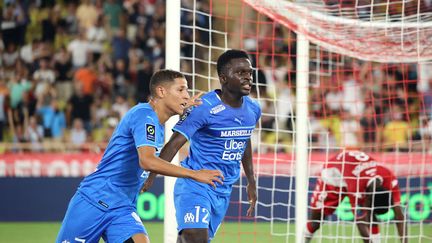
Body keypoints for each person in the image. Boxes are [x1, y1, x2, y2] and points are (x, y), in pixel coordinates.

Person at [56, 70, 224, 243]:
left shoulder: (156, 123)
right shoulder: (144, 115)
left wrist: (150, 178)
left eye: (187, 91)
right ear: (161, 91)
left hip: (122, 207)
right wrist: (195, 174)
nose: (186, 96)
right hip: (94, 201)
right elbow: (147, 161)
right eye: (180, 90)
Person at [142, 49, 261, 242]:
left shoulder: (253, 109)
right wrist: (150, 177)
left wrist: (251, 180)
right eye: (240, 73)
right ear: (223, 78)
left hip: (222, 189)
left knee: (190, 240)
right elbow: (173, 145)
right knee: (197, 238)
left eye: (249, 73)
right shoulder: (203, 107)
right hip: (195, 185)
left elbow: (244, 139)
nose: (248, 78)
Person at [305, 150, 407, 243]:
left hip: (354, 173)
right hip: (333, 175)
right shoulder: (356, 187)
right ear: (367, 197)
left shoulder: (390, 178)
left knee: (369, 213)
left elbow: (400, 216)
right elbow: (360, 222)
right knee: (316, 222)